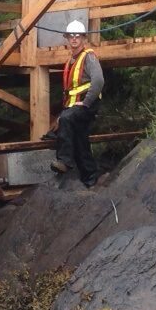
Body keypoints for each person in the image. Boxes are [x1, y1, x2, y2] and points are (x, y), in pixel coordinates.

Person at [51, 19, 104, 186]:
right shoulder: (71, 61)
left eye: (77, 36)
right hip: (75, 106)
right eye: (71, 36)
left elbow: (98, 81)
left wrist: (86, 102)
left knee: (66, 120)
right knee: (80, 140)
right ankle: (90, 178)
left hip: (87, 104)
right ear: (67, 38)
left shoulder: (89, 57)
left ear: (83, 38)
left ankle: (64, 161)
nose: (74, 38)